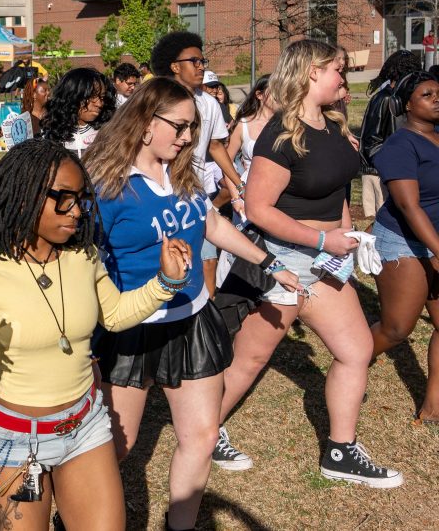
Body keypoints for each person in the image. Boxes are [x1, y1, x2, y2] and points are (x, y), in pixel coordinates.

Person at [0, 138, 191, 531]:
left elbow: (115, 315)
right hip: (15, 439)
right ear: (23, 196)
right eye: (63, 198)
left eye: (82, 199)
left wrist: (165, 283)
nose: (77, 211)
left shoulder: (82, 255)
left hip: (84, 426)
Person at [83, 78, 300, 529]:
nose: (187, 138)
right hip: (132, 325)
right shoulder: (106, 185)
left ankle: (178, 525)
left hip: (191, 317)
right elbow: (83, 257)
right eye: (179, 127)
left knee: (201, 438)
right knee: (116, 447)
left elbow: (212, 225)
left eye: (192, 128)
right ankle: (78, 516)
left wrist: (268, 261)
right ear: (145, 122)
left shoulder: (182, 173)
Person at [216, 39, 403, 487]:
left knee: (355, 350)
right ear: (310, 73)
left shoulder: (336, 128)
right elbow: (259, 209)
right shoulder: (279, 135)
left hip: (326, 258)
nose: (344, 77)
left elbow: (338, 191)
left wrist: (348, 238)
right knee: (250, 358)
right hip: (283, 257)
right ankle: (203, 429)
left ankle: (340, 451)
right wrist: (322, 238)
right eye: (337, 69)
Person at [369, 71, 439, 424]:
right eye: (428, 94)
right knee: (397, 329)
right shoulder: (400, 145)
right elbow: (410, 207)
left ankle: (433, 407)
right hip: (402, 240)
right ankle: (353, 361)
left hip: (435, 241)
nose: (437, 99)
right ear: (408, 104)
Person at [152, 32, 244, 297]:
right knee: (172, 259)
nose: (202, 66)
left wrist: (239, 184)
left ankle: (207, 311)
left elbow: (216, 147)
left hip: (195, 195)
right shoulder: (157, 100)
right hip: (162, 198)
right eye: (195, 60)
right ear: (174, 66)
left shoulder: (210, 103)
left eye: (203, 60)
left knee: (206, 260)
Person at [359, 50, 420, 221]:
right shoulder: (385, 99)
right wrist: (393, 167)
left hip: (395, 173)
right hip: (380, 175)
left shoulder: (403, 100)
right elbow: (371, 141)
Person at [222, 77, 273, 221]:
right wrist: (235, 197)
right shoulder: (243, 124)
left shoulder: (288, 123)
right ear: (259, 95)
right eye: (275, 90)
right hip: (248, 196)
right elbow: (226, 163)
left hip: (282, 197)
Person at [40, 67, 109, 158]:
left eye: (102, 97)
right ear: (72, 96)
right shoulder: (48, 133)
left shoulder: (108, 132)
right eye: (92, 97)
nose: (99, 104)